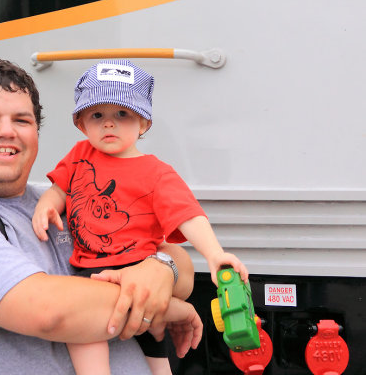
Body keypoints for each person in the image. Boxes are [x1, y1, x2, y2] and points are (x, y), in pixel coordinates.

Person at [0, 60, 203, 375]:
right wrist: (166, 305)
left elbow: (182, 266)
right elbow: (52, 312)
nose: (6, 131)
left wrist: (161, 268)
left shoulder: (61, 203)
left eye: (22, 120)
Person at [32, 59, 249, 375]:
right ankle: (178, 312)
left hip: (139, 272)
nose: (109, 123)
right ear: (82, 124)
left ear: (144, 123)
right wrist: (46, 205)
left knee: (157, 358)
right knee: (84, 340)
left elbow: (188, 215)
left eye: (122, 114)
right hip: (87, 274)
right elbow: (60, 188)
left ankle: (173, 311)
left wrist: (215, 254)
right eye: (97, 115)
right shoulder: (80, 155)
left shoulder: (156, 173)